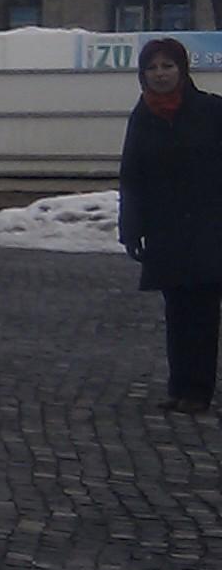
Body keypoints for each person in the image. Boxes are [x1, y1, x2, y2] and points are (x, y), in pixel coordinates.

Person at [117, 37, 222, 414]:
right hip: (166, 230)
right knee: (177, 311)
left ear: (183, 70)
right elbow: (131, 175)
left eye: (168, 66)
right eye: (153, 68)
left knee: (203, 312)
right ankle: (179, 386)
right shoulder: (142, 115)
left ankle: (198, 389)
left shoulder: (211, 110)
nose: (160, 75)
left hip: (209, 227)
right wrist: (130, 227)